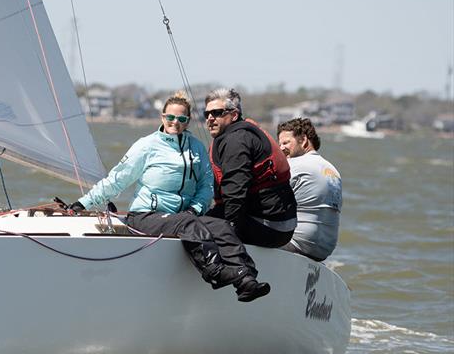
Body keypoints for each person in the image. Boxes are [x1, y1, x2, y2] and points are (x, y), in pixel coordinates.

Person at [70, 92, 270, 302]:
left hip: (183, 217)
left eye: (182, 119)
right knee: (187, 222)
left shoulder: (196, 147)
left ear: (188, 121)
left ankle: (245, 279)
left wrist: (195, 209)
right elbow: (117, 179)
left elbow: (206, 186)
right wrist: (83, 203)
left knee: (221, 226)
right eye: (170, 117)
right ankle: (215, 271)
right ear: (162, 117)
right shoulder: (147, 145)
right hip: (145, 216)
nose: (175, 122)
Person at [203, 88, 297, 248]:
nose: (210, 118)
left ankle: (233, 271)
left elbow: (235, 193)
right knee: (194, 220)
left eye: (217, 113)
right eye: (207, 114)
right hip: (277, 223)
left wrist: (227, 234)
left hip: (270, 227)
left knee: (191, 227)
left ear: (233, 115)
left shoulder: (237, 140)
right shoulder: (239, 133)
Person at [277, 118, 342, 261]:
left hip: (297, 243)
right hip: (324, 248)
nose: (281, 148)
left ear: (303, 140)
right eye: (279, 144)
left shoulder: (293, 164)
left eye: (286, 142)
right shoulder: (333, 170)